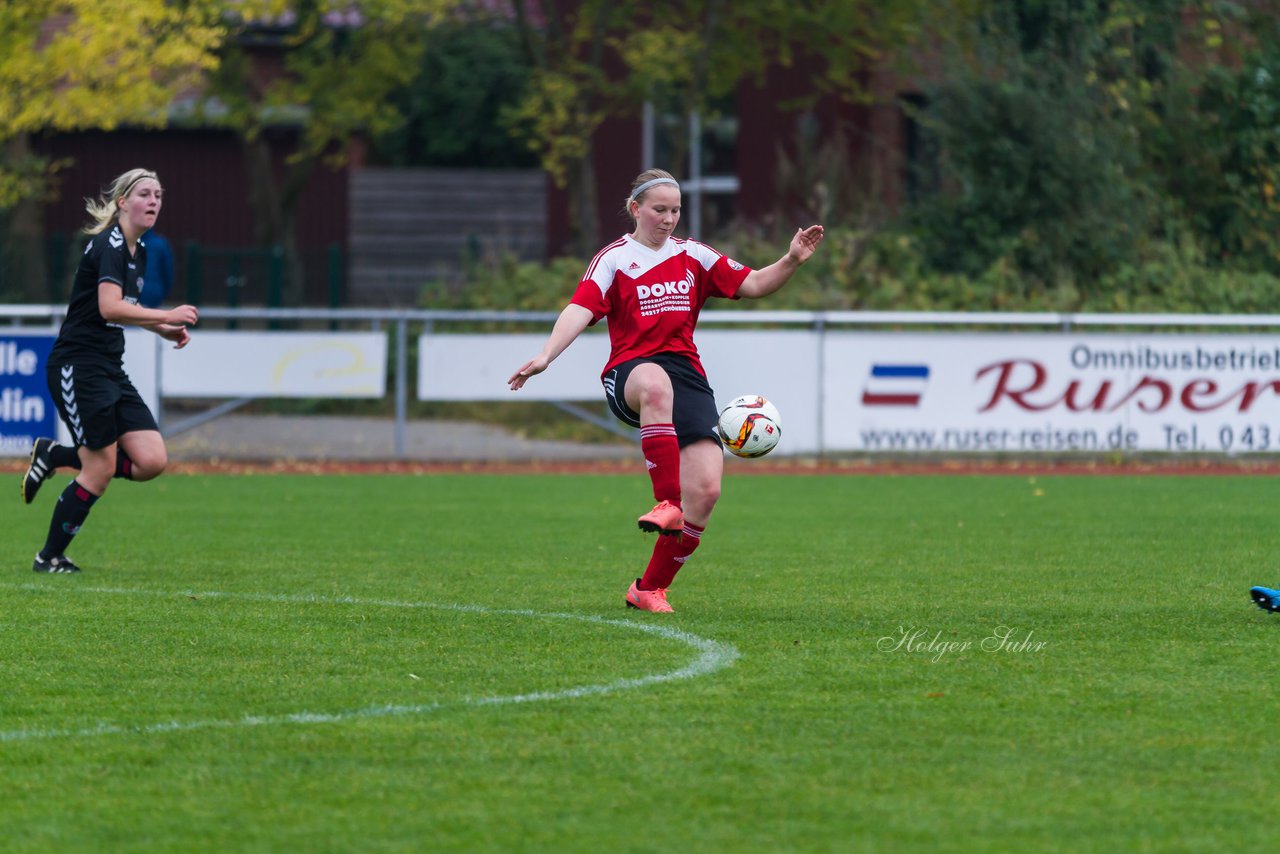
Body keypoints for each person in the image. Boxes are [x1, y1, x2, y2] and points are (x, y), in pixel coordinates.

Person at [508, 168, 824, 612]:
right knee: (656, 386)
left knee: (708, 491)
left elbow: (752, 283)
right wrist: (546, 355)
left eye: (675, 210)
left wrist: (790, 260)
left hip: (687, 376)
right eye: (660, 209)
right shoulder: (615, 258)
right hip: (631, 372)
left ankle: (648, 588)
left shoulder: (694, 255)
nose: (669, 218)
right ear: (636, 208)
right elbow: (580, 308)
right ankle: (666, 501)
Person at [20, 168, 199, 573]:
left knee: (151, 460)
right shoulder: (110, 245)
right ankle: (48, 557)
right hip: (77, 367)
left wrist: (164, 330)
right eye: (144, 194)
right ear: (122, 202)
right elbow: (109, 307)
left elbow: (122, 312)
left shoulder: (141, 250)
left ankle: (56, 454)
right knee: (99, 469)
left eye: (158, 194)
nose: (154, 200)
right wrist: (165, 313)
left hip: (108, 368)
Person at [139, 228, 174, 308]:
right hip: (154, 295)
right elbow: (168, 272)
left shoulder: (127, 242)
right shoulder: (160, 243)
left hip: (132, 296)